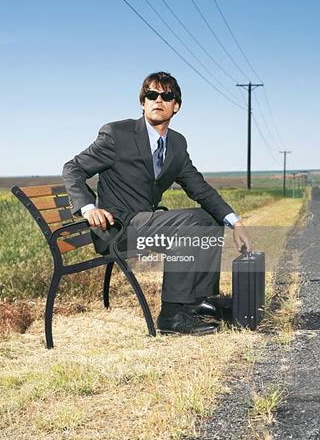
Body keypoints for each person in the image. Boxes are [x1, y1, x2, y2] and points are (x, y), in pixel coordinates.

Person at [62, 71, 251, 335]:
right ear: (143, 102)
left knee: (208, 219)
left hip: (147, 226)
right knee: (192, 221)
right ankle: (172, 315)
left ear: (176, 106)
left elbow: (200, 189)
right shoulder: (117, 134)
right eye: (151, 95)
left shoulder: (176, 144)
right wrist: (89, 207)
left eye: (166, 96)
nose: (157, 100)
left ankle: (199, 302)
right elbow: (73, 168)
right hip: (117, 228)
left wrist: (236, 222)